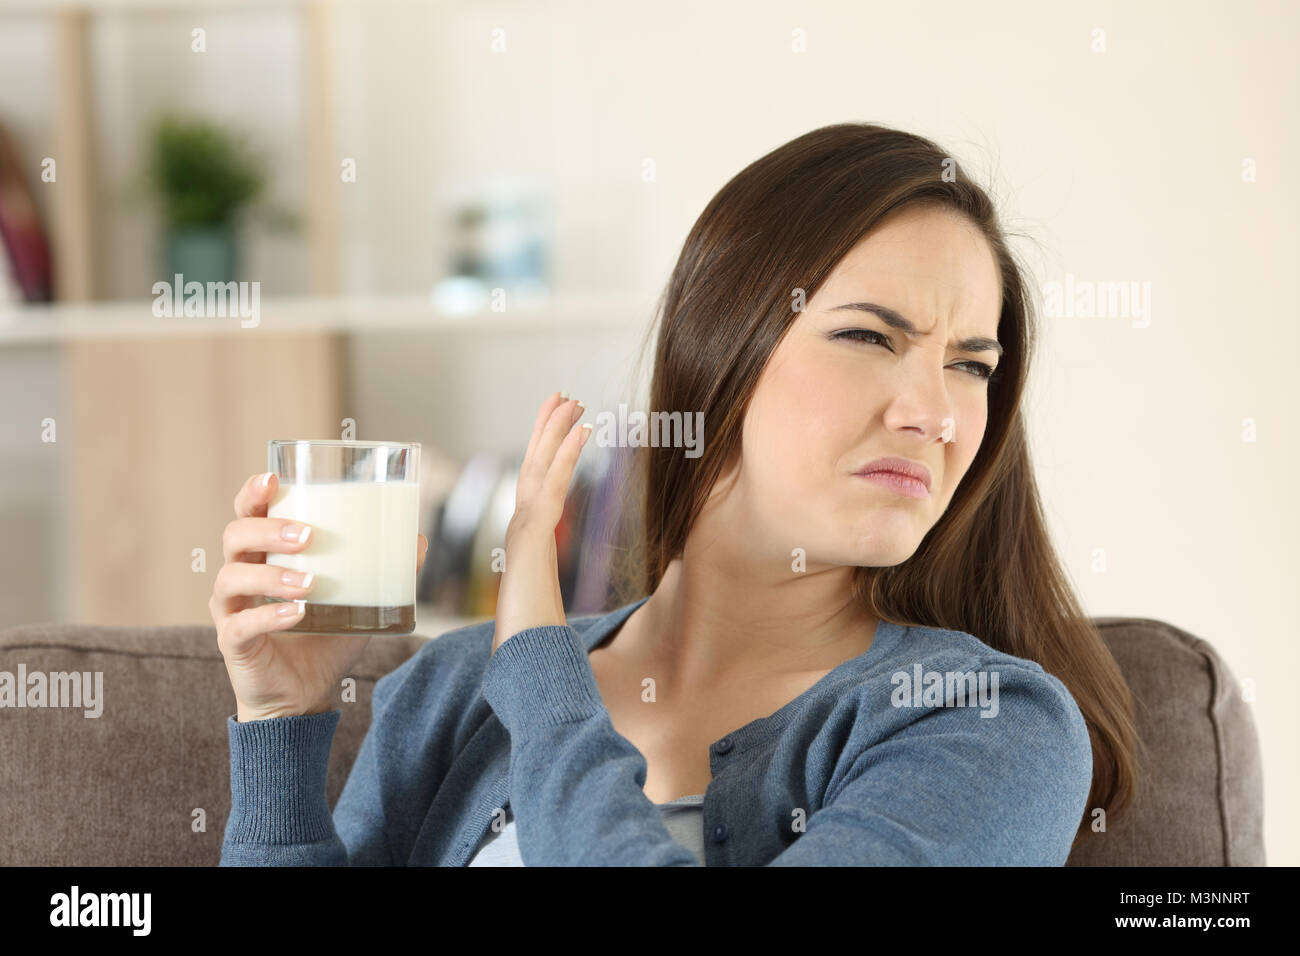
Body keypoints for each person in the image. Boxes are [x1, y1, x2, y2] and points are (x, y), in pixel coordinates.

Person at [211, 122, 1137, 866]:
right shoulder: (451, 690)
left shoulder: (985, 721)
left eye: (970, 365)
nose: (935, 413)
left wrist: (540, 669)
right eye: (870, 337)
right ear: (720, 346)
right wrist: (280, 725)